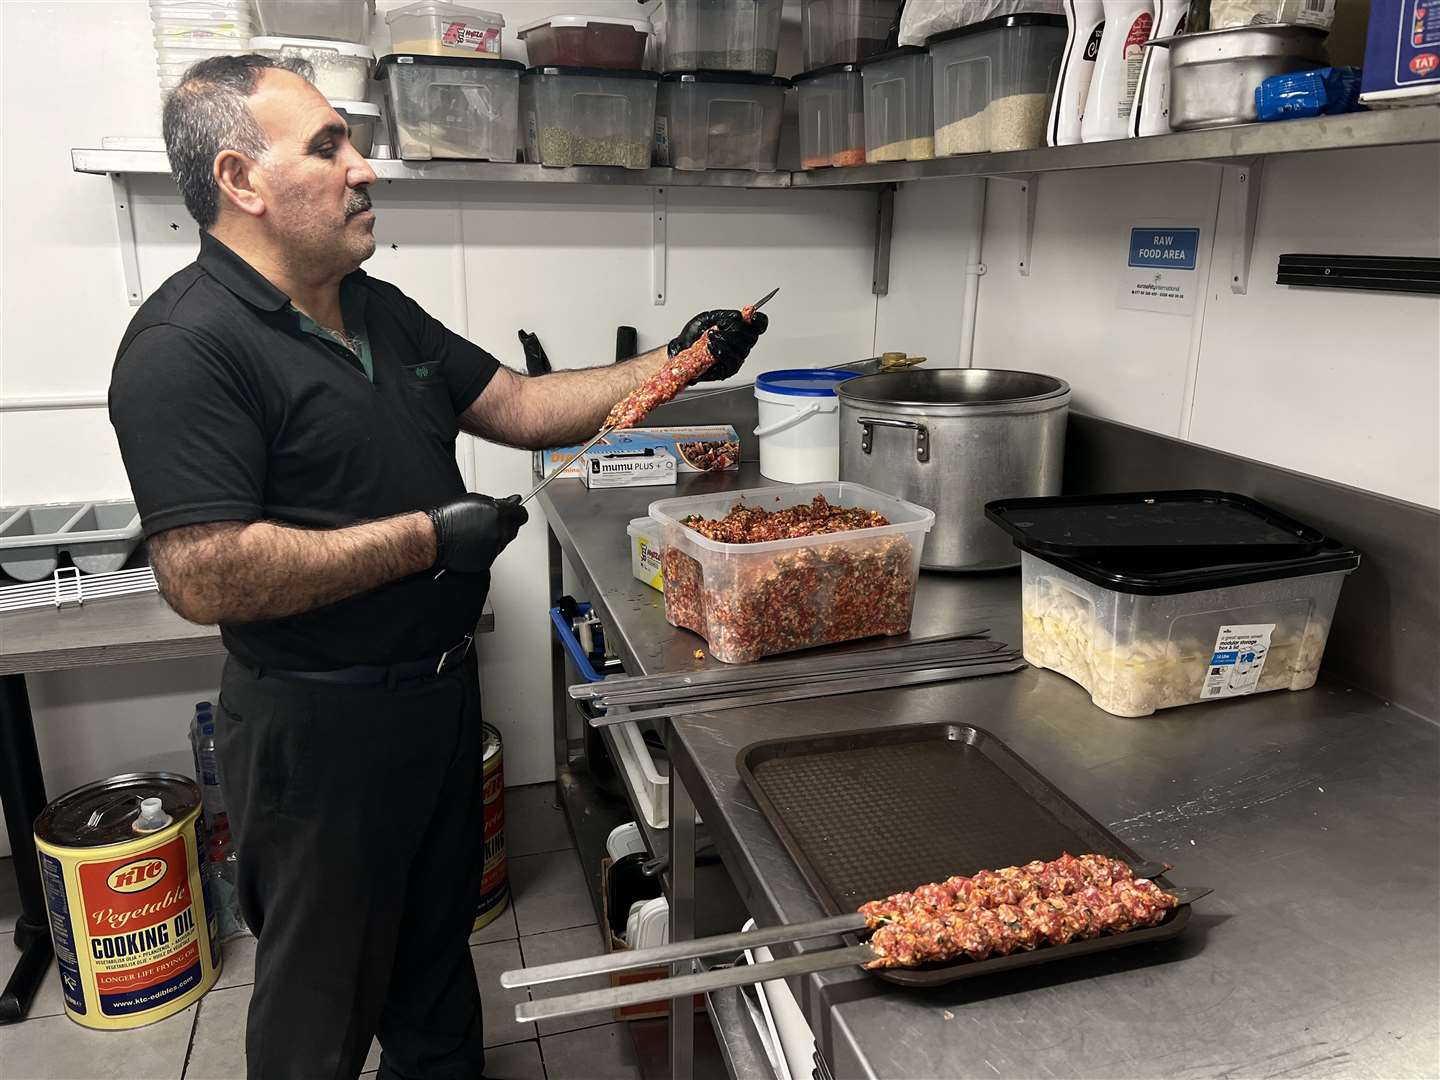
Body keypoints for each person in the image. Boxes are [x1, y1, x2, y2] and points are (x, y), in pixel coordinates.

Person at [106, 54, 768, 1080]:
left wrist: (678, 363)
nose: (364, 167)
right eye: (329, 146)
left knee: (431, 964)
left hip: (436, 707)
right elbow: (205, 574)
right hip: (317, 733)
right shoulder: (184, 348)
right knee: (318, 1004)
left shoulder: (375, 308)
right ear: (241, 181)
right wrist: (427, 538)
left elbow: (517, 404)